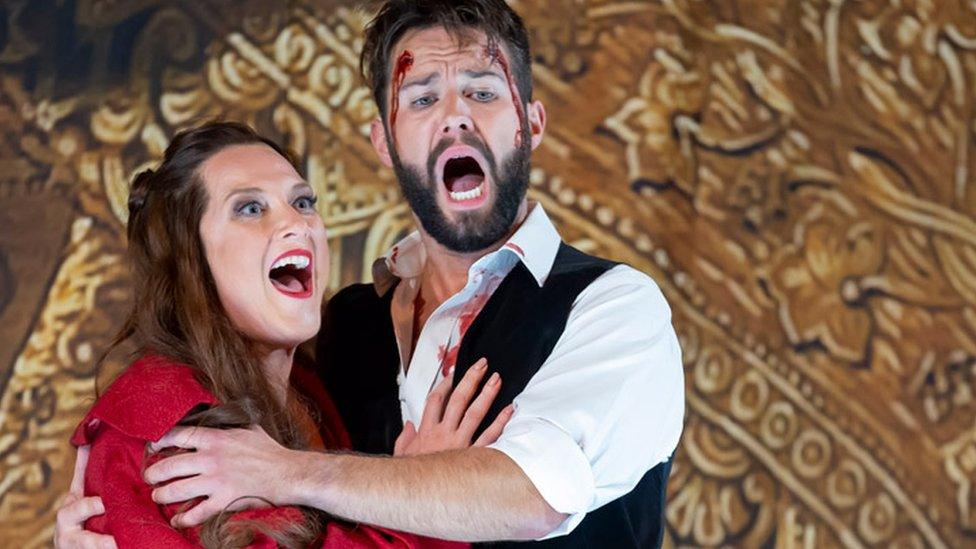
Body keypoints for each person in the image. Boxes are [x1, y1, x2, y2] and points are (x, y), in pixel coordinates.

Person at [58, 1, 685, 547]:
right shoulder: (337, 332)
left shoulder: (613, 307)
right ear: (384, 140)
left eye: (485, 91)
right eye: (421, 98)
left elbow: (536, 494)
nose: (456, 115)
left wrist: (284, 471)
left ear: (531, 125)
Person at [57, 121, 508, 548]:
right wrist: (427, 496)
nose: (297, 223)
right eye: (250, 208)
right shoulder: (164, 423)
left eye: (303, 202)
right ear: (190, 259)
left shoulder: (307, 385)